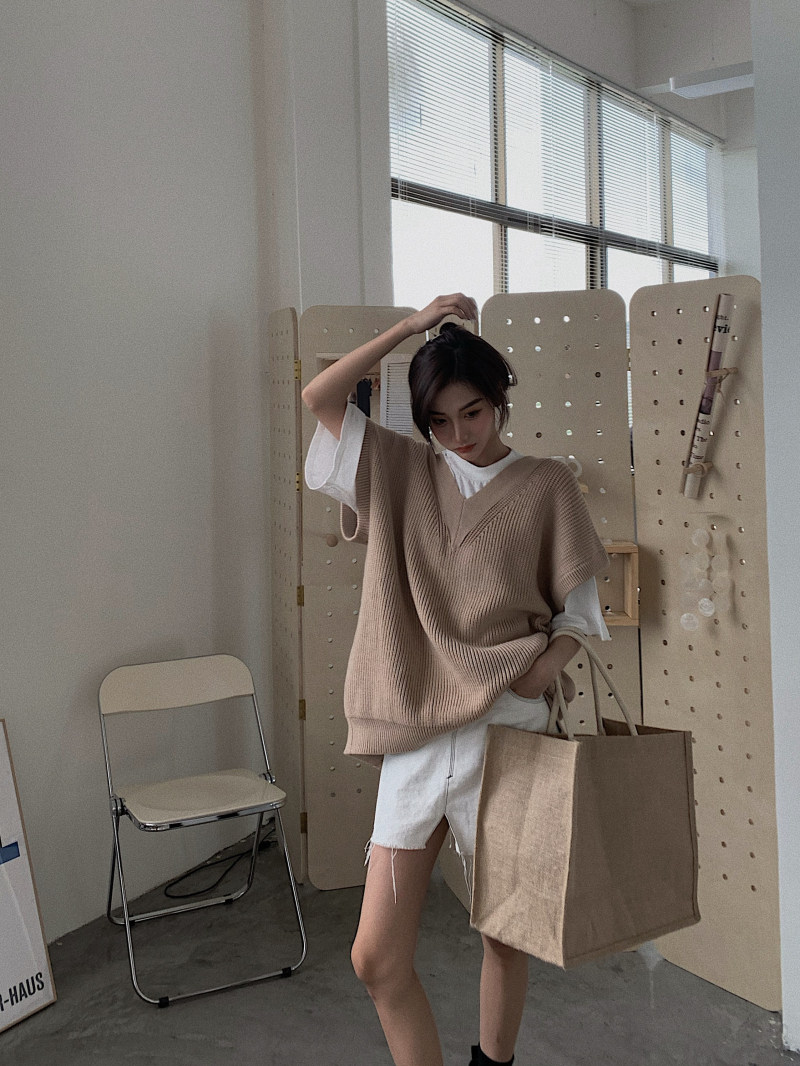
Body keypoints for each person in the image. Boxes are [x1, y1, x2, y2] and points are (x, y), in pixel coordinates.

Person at [302, 293, 610, 1066]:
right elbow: (320, 397)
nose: (459, 434)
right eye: (439, 421)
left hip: (508, 734)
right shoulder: (401, 470)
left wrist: (538, 674)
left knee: (506, 934)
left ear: (499, 400)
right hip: (417, 735)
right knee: (376, 958)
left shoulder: (546, 483)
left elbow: (579, 614)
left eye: (472, 413)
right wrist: (410, 329)